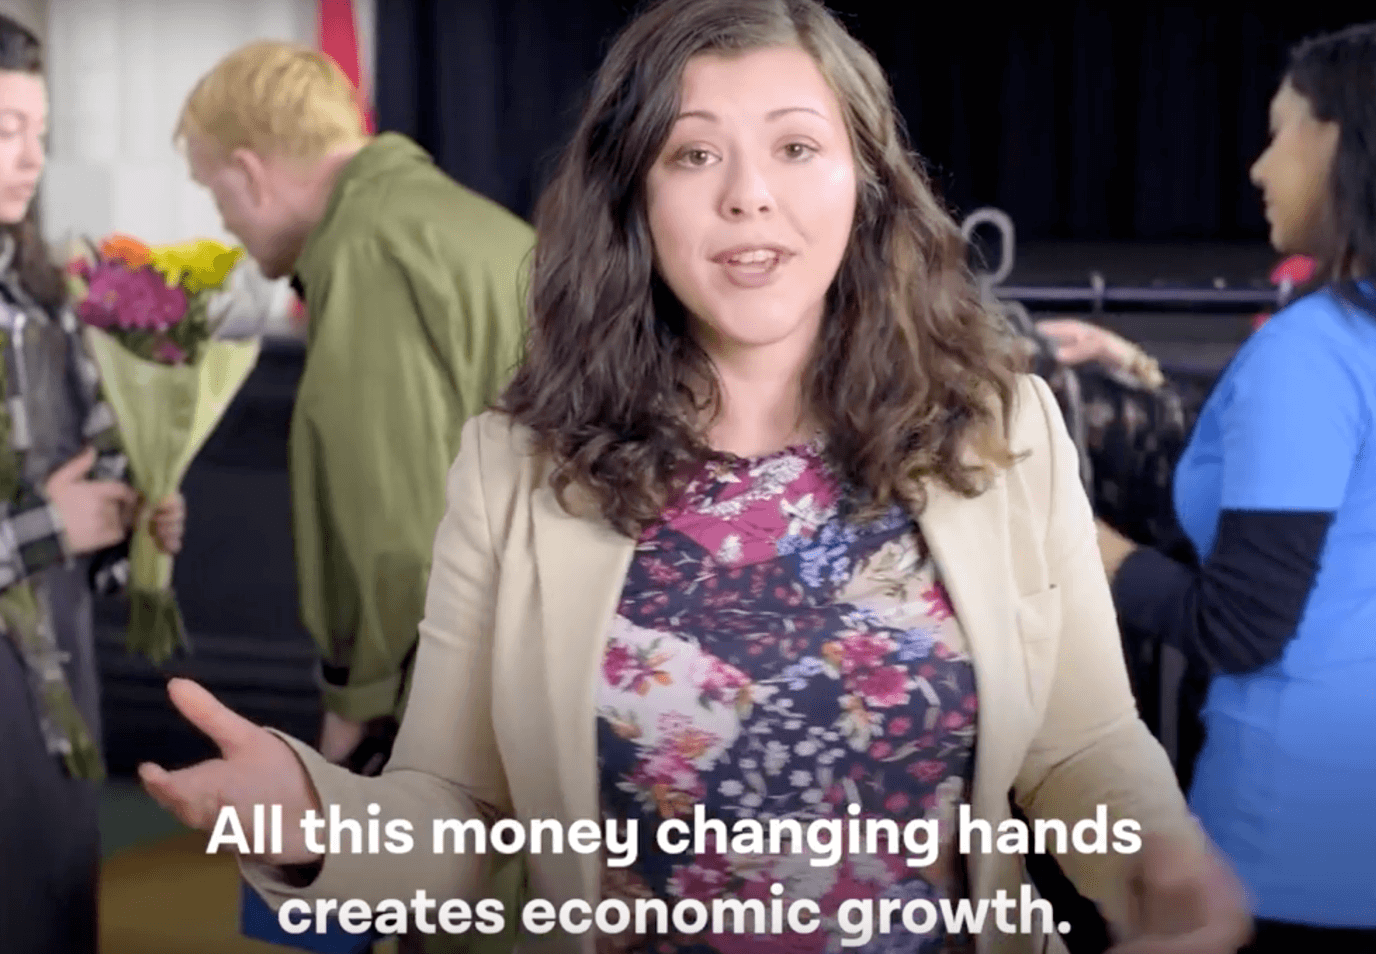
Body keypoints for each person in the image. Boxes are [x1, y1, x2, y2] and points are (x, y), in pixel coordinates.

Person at [142, 3, 1252, 953]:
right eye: (692, 154)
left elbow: (1081, 745)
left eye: (796, 146)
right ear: (632, 195)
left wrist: (1159, 861)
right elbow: (460, 807)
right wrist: (325, 824)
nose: (747, 195)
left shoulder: (1000, 431)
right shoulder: (516, 464)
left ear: (866, 181)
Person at [1093, 22, 1376, 953]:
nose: (1258, 166)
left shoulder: (1314, 354)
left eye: (1281, 131)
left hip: (1290, 850)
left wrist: (1079, 544)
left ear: (1342, 139)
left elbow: (1239, 629)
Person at [173, 41, 534, 771]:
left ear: (250, 173)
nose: (225, 225)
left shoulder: (363, 250)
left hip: (453, 695)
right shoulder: (441, 219)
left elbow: (393, 524)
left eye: (217, 196)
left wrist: (355, 703)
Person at [0, 14, 184, 954]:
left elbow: (88, 469)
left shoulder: (49, 299)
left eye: (41, 131)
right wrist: (48, 526)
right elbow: (48, 516)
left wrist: (132, 512)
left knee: (60, 906)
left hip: (59, 681)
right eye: (6, 131)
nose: (33, 158)